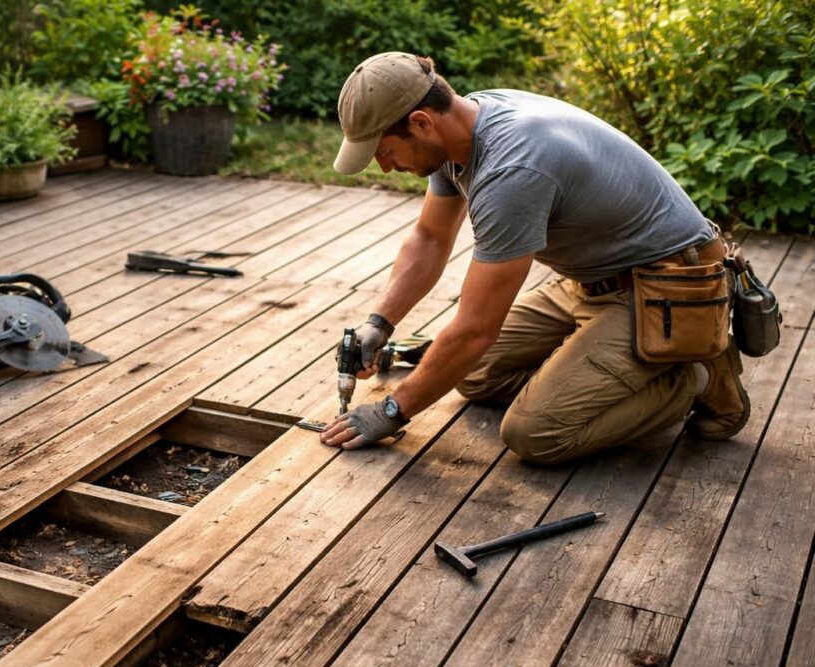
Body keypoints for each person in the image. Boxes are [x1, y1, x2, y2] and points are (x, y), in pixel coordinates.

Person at [318, 51, 749, 464]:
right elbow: (430, 238)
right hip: (592, 277)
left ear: (421, 122)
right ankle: (603, 372)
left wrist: (392, 411)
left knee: (535, 432)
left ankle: (692, 374)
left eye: (385, 152)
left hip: (666, 287)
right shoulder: (464, 126)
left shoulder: (512, 169)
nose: (386, 167)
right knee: (471, 374)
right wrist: (380, 322)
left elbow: (473, 331)